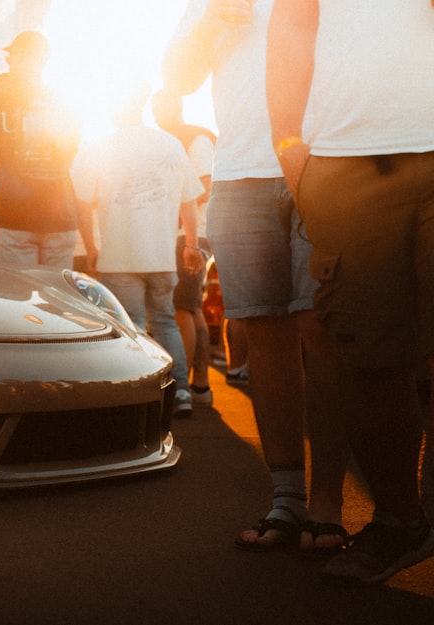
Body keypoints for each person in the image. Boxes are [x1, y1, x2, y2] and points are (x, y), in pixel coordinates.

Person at [163, 0, 349, 556]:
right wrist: (215, 18)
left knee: (324, 331)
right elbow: (176, 78)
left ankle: (328, 504)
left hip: (326, 161)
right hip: (239, 175)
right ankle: (286, 500)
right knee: (263, 336)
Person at [266, 0, 434, 585]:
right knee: (364, 359)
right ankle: (399, 522)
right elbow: (292, 19)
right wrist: (290, 145)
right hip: (347, 160)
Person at [72, 82, 205, 417]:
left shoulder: (100, 146)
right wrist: (191, 244)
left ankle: (139, 395)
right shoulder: (170, 144)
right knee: (166, 321)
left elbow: (81, 202)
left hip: (119, 255)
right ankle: (182, 392)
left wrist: (91, 247)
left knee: (130, 325)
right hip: (161, 254)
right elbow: (189, 200)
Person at [0, 31, 84, 269]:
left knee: (21, 300)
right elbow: (70, 157)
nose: (8, 62)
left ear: (22, 57)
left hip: (16, 218)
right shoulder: (67, 101)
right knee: (58, 301)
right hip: (61, 216)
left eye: (11, 56)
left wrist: (18, 171)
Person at [152, 90, 216, 407]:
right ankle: (200, 386)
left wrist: (170, 212)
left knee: (180, 309)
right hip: (183, 234)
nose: (158, 114)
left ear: (177, 106)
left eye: (163, 106)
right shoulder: (168, 140)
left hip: (192, 235)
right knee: (192, 308)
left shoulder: (195, 140)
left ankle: (181, 390)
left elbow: (205, 184)